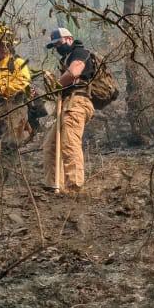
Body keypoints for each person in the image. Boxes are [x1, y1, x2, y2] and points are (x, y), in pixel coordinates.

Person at [43, 27, 96, 192]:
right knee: (50, 145)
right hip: (66, 103)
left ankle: (74, 187)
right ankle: (54, 185)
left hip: (78, 102)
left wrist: (56, 85)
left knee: (69, 143)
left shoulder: (80, 53)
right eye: (55, 45)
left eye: (59, 43)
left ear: (69, 39)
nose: (57, 47)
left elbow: (74, 73)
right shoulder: (65, 59)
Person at [0, 29, 34, 150]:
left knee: (10, 145)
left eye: (6, 45)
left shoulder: (18, 62)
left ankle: (11, 159)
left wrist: (0, 88)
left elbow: (23, 82)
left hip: (14, 107)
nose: (2, 48)